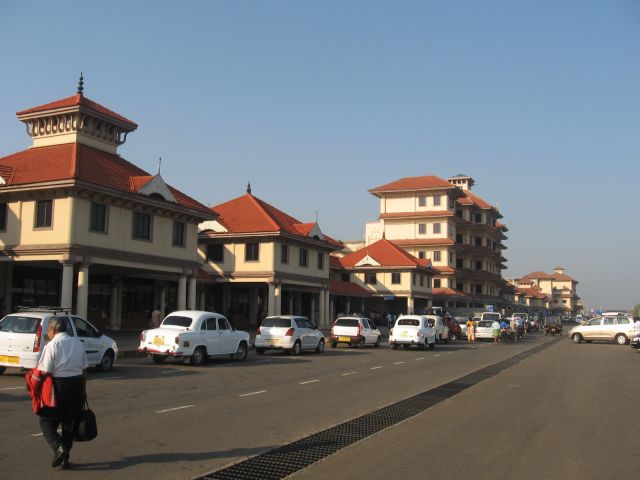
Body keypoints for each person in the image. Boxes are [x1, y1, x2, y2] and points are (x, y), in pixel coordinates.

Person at [36, 317, 88, 469]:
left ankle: (59, 447)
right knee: (69, 423)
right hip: (78, 385)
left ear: (53, 330)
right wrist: (83, 391)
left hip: (59, 386)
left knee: (45, 421)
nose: (48, 334)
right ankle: (65, 459)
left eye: (48, 331)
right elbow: (84, 369)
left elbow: (44, 371)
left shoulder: (52, 345)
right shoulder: (78, 343)